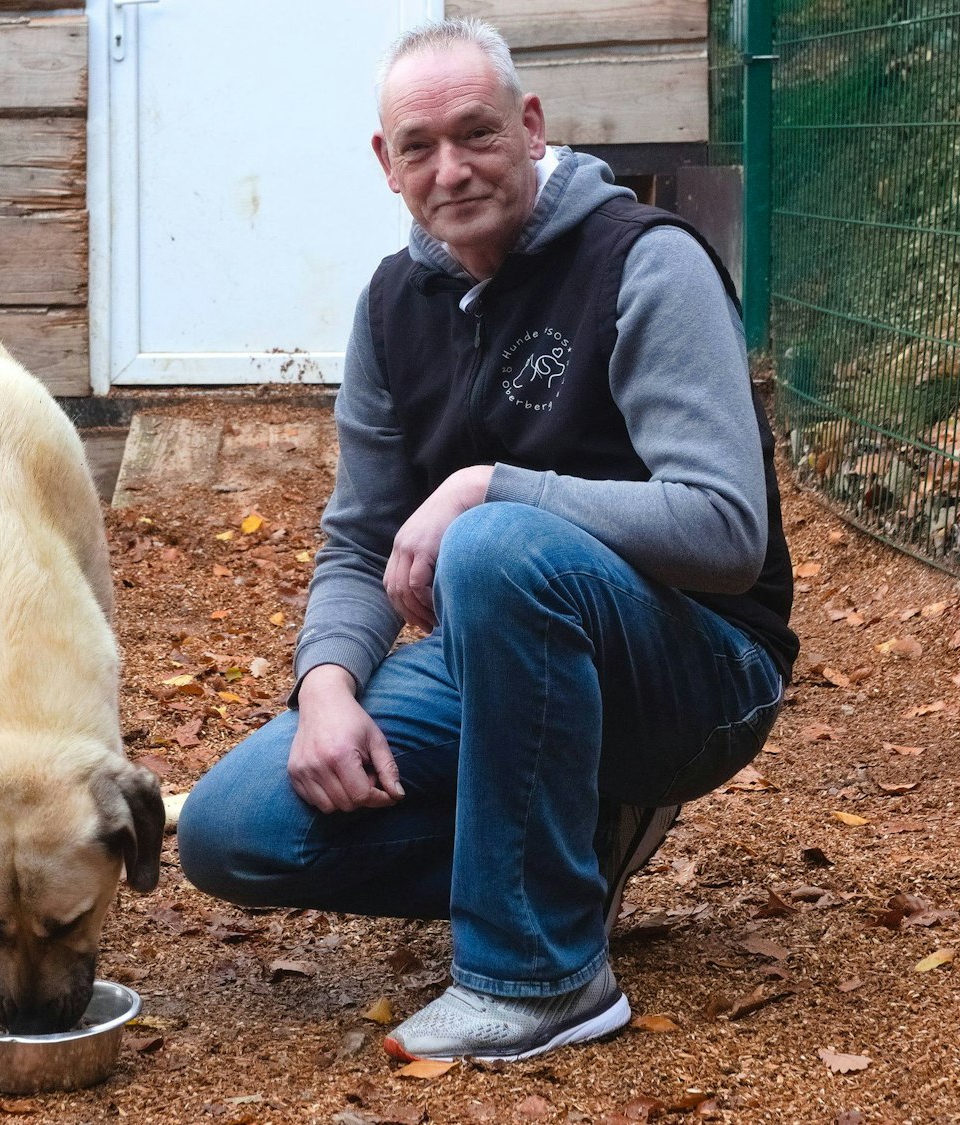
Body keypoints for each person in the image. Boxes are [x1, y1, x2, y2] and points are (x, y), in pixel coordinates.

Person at [175, 17, 798, 1064]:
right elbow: (359, 538)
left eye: (477, 134)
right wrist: (324, 685)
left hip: (700, 672)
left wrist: (482, 487)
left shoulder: (642, 263)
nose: (450, 169)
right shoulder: (390, 308)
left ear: (530, 125)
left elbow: (726, 531)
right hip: (502, 664)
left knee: (494, 545)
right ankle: (572, 857)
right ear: (386, 165)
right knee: (232, 830)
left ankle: (541, 977)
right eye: (418, 148)